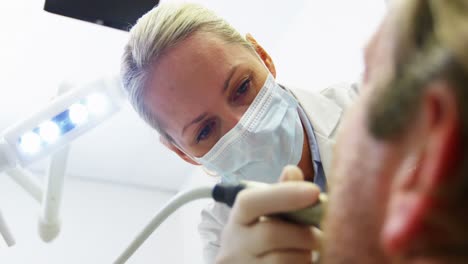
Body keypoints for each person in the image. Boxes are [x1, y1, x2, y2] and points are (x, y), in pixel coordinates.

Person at [214, 0, 468, 263]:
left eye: (370, 79)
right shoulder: (216, 232)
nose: (243, 129)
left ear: (433, 160)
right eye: (205, 131)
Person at [120, 2, 358, 262]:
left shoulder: (368, 105)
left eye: (242, 87)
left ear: (262, 57)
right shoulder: (222, 241)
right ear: (182, 152)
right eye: (205, 130)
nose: (245, 127)